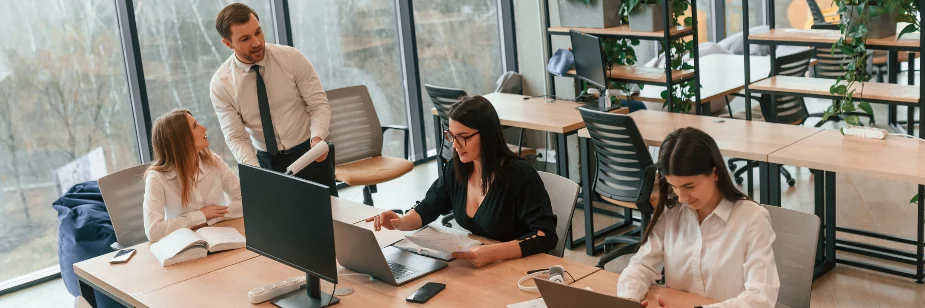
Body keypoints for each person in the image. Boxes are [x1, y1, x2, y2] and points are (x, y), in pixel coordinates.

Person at [366, 96, 558, 268]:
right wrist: (400, 222)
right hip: (482, 266)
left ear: (487, 135)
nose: (455, 145)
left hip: (519, 267)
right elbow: (429, 206)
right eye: (451, 136)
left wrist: (492, 253)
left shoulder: (519, 175)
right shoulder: (458, 168)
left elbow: (545, 236)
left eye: (463, 137)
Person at [617, 127, 779, 308]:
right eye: (674, 187)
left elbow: (760, 298)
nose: (682, 198)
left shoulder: (752, 219)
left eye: (690, 186)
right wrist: (629, 299)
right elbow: (641, 266)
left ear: (715, 173)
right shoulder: (672, 212)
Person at [209, 3, 336, 195]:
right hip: (265, 161)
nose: (256, 42)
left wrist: (317, 137)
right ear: (228, 43)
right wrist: (256, 172)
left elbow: (318, 105)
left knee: (330, 220)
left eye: (258, 32)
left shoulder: (291, 58)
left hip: (309, 151)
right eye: (245, 39)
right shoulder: (221, 84)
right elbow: (236, 137)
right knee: (282, 224)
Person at [143, 110, 242, 243]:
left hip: (220, 239)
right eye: (195, 126)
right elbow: (153, 231)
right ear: (180, 140)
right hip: (183, 245)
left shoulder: (213, 161)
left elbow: (246, 202)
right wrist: (200, 215)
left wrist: (211, 216)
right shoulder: (156, 177)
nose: (203, 128)